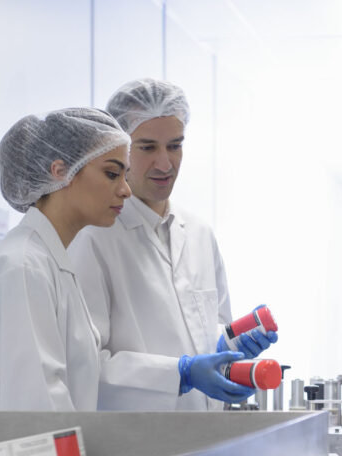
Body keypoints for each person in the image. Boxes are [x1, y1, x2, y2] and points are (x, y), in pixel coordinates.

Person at [0, 107, 245, 411]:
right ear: (59, 171)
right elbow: (37, 413)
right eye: (111, 173)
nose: (125, 189)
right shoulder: (23, 269)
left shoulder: (52, 265)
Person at [69, 78, 277, 411]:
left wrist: (229, 346)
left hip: (204, 440)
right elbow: (85, 365)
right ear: (117, 150)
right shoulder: (93, 238)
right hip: (138, 446)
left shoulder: (199, 234)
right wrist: (179, 374)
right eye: (148, 147)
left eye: (175, 145)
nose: (165, 164)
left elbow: (208, 330)